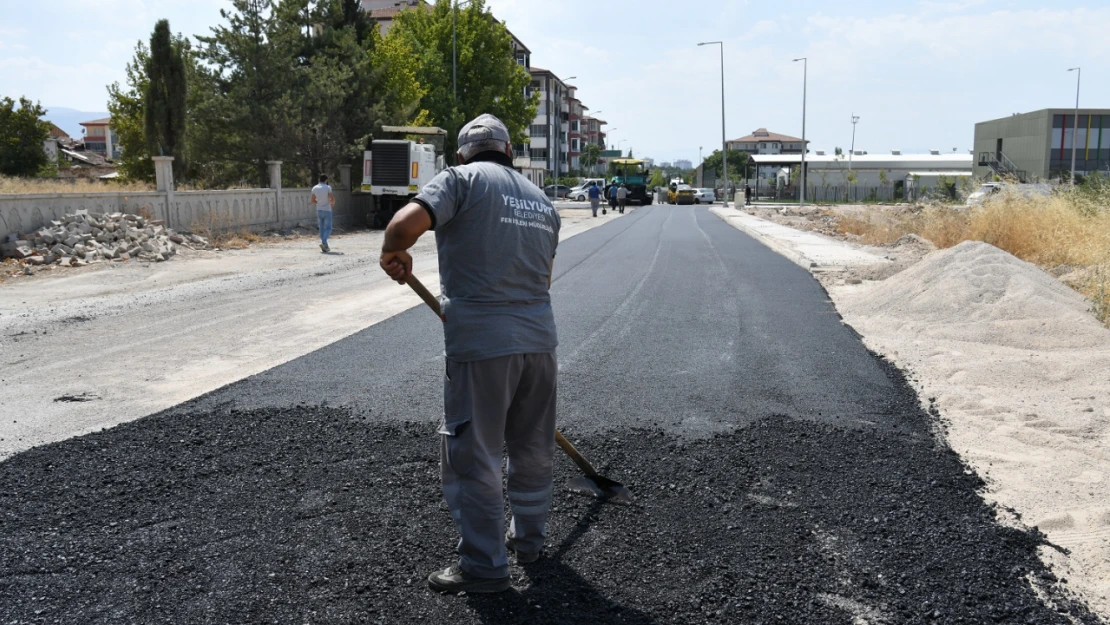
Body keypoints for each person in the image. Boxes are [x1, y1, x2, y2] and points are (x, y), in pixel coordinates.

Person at [379, 114, 561, 595]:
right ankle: (529, 543)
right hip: (540, 341)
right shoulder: (543, 201)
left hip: (482, 345)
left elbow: (402, 225)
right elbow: (542, 280)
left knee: (474, 453)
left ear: (461, 154)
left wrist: (391, 251)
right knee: (532, 446)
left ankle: (483, 566)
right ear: (509, 151)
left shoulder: (459, 180)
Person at [310, 174, 335, 252]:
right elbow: (332, 198)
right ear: (326, 180)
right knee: (329, 228)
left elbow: (313, 200)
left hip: (319, 210)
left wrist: (319, 202)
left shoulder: (314, 188)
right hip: (327, 210)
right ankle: (324, 242)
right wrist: (332, 203)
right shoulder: (327, 187)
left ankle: (326, 246)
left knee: (321, 228)